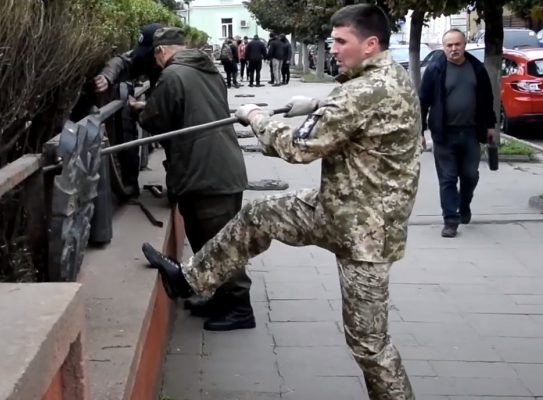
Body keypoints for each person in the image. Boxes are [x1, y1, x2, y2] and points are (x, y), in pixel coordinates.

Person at [141, 4, 420, 399]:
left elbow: (297, 148)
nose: (333, 48)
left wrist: (255, 116)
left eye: (342, 41)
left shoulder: (363, 91)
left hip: (364, 233)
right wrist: (317, 104)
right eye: (333, 39)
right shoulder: (390, 76)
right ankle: (189, 279)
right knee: (258, 215)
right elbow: (358, 116)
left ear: (370, 44)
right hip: (344, 207)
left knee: (369, 345)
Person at [129, 27, 255, 331]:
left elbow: (156, 120)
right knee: (210, 240)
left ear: (160, 52)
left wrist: (139, 110)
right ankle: (222, 298)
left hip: (206, 171)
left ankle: (239, 308)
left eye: (152, 58)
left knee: (220, 241)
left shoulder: (172, 76)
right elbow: (189, 108)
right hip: (218, 166)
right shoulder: (204, 70)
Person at [419, 29, 496, 238]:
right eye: (449, 45)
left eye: (457, 44)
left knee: (470, 175)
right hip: (444, 134)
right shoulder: (435, 69)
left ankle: (464, 203)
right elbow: (423, 102)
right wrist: (420, 131)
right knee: (448, 178)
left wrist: (490, 126)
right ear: (443, 47)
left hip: (471, 132)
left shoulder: (477, 68)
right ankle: (450, 220)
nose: (453, 49)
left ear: (464, 45)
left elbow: (487, 100)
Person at [93, 23, 165, 197]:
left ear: (160, 51)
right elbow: (122, 61)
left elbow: (173, 108)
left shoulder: (176, 71)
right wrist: (107, 76)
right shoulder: (149, 59)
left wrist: (145, 106)